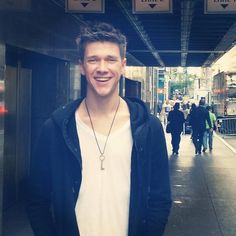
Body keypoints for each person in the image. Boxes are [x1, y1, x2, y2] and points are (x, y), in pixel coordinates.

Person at [26, 22, 172, 236]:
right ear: (82, 67)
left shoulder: (148, 128)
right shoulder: (56, 129)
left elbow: (160, 199)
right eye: (93, 59)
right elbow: (37, 200)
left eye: (110, 59)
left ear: (122, 65)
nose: (102, 68)